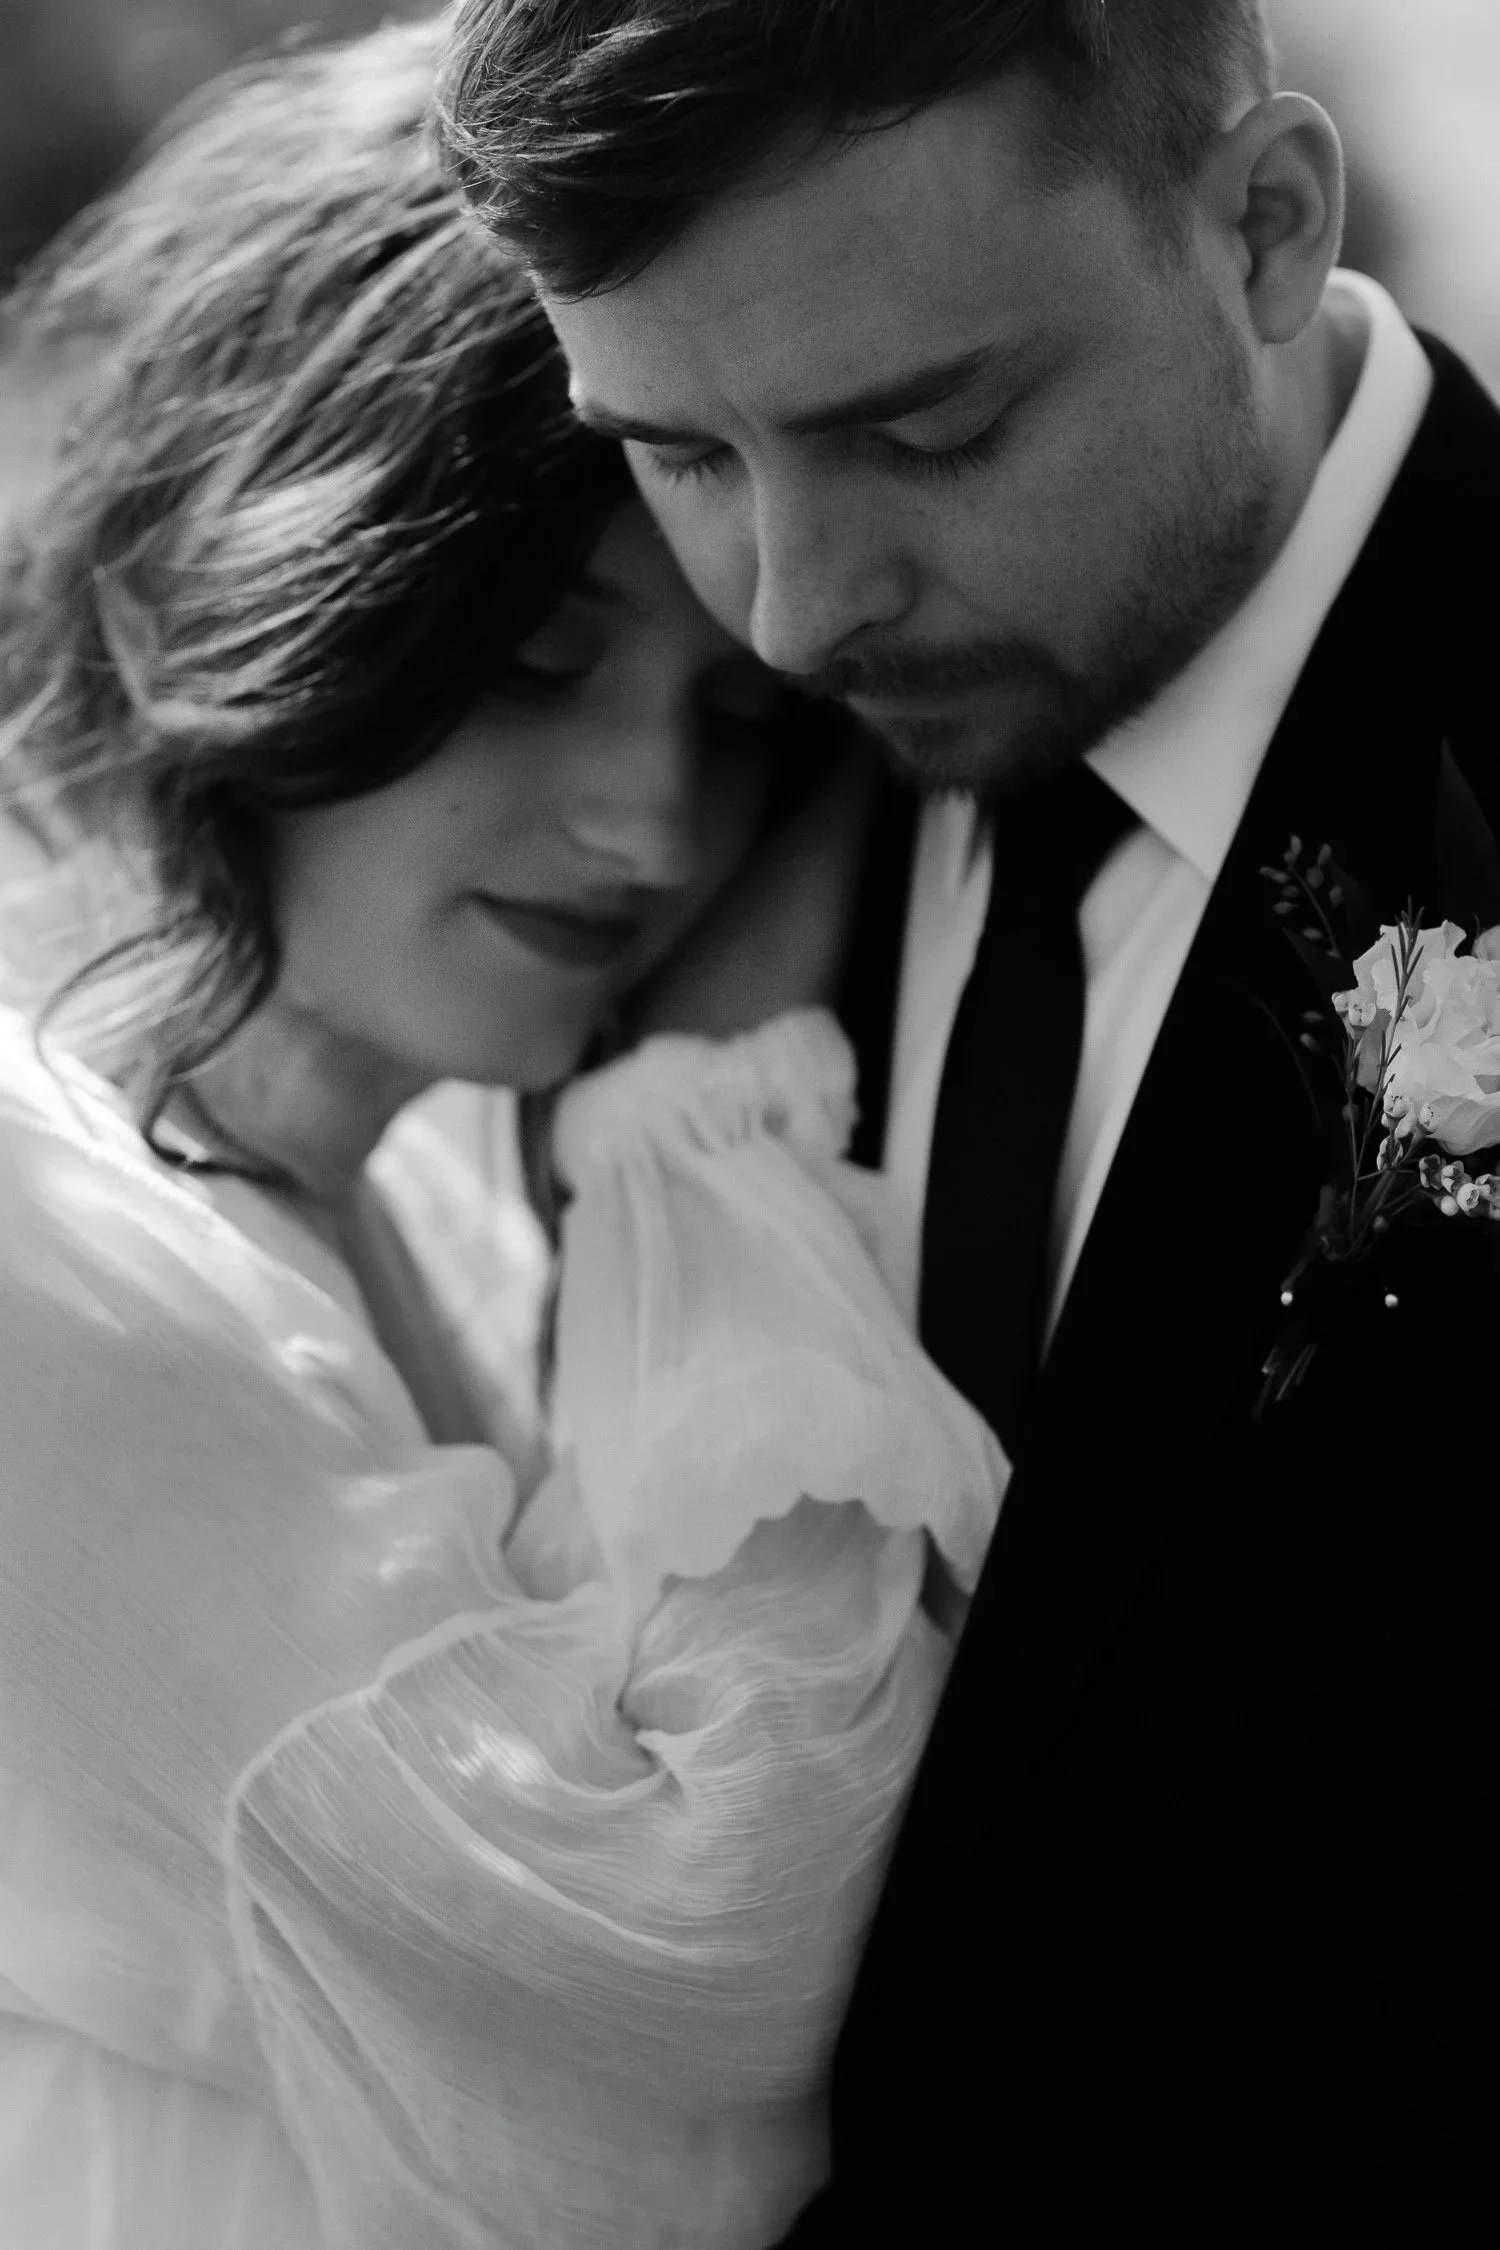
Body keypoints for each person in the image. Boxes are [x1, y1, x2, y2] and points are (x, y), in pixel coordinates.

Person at [438, 0, 1500, 2236]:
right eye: (682, 456)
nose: (795, 609)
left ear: (1267, 223)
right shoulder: (642, 779)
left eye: (931, 429)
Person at [0, 19, 1008, 2247]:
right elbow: (681, 2013)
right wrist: (713, 1098)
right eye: (541, 663)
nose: (658, 824)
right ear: (263, 573)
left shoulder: (423, 1189)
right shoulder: (36, 1235)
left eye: (739, 722)